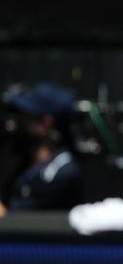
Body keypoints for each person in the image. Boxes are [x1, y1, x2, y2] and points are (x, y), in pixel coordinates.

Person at [0, 83, 82, 213]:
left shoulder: (60, 173)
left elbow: (12, 220)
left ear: (45, 123)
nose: (16, 122)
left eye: (24, 115)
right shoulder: (24, 163)